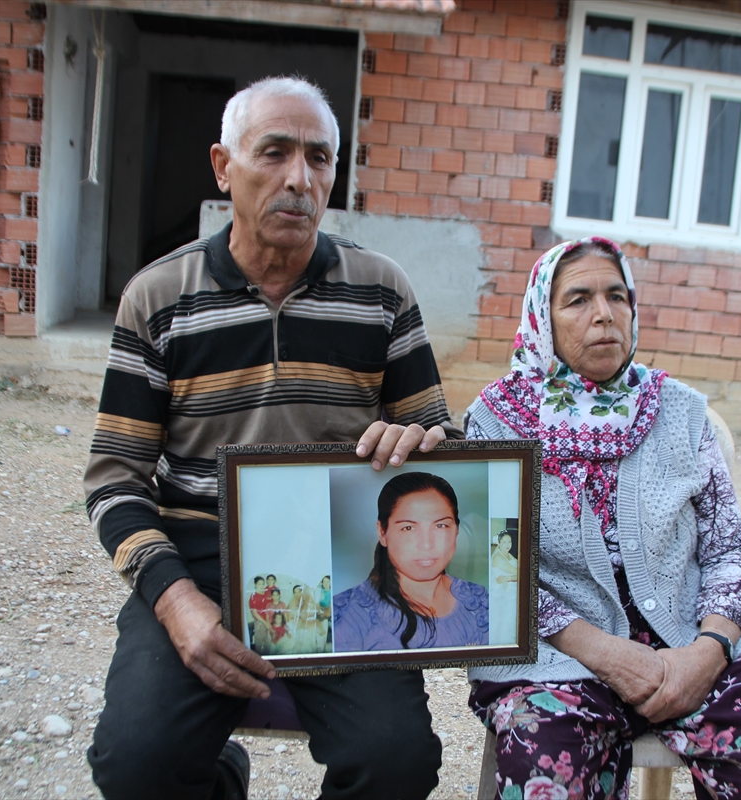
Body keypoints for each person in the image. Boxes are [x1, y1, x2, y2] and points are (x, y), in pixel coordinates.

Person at [83, 76, 460, 800]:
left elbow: (439, 435)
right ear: (224, 167)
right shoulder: (159, 297)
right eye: (275, 153)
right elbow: (114, 480)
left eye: (319, 158)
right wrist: (177, 603)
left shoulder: (381, 291)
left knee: (398, 763)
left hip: (342, 558)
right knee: (135, 766)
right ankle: (223, 777)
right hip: (203, 557)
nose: (299, 178)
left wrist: (416, 442)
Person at [464, 238, 741, 799]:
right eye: (577, 299)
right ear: (542, 318)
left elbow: (730, 551)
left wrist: (707, 653)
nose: (603, 313)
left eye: (617, 296)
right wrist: (608, 655)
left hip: (691, 646)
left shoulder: (679, 410)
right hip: (560, 656)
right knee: (542, 764)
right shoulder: (496, 422)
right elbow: (498, 571)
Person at [333, 472, 488, 651]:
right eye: (408, 528)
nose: (427, 544)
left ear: (457, 529)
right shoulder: (346, 616)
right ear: (382, 532)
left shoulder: (480, 601)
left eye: (441, 526)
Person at [488, 531, 518, 644]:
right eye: (504, 542)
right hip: (502, 591)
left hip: (508, 586)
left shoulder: (508, 555)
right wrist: (511, 578)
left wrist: (508, 578)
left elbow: (523, 570)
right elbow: (520, 572)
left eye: (509, 541)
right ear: (499, 543)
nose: (508, 544)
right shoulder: (498, 559)